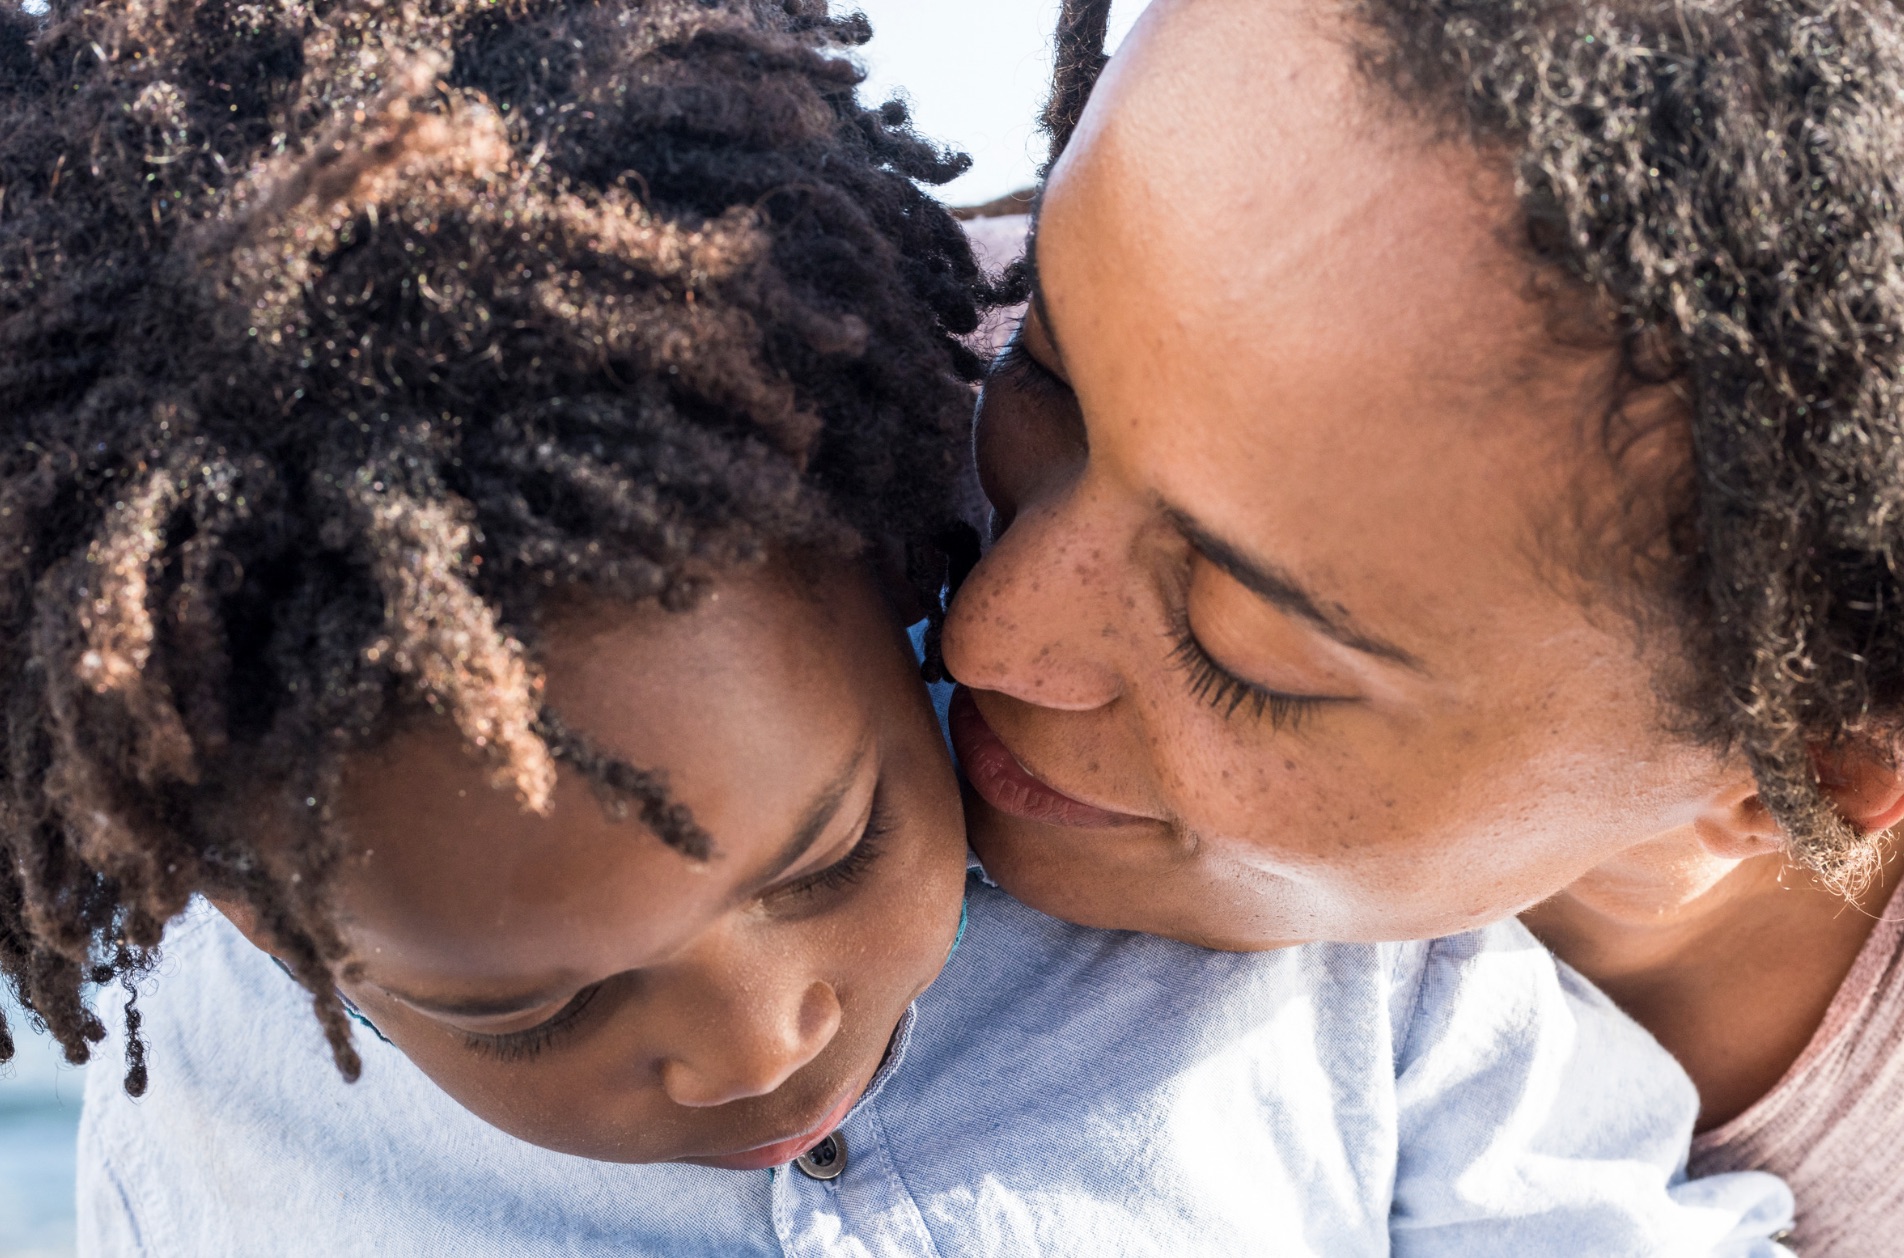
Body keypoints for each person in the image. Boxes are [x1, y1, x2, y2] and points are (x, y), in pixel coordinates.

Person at [0, 0, 1793, 1253]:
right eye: (531, 1004)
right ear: (258, 905)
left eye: (833, 847)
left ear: (900, 547)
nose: (759, 1033)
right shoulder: (230, 1128)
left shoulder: (1293, 940)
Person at [941, 0, 1904, 1249]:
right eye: (1047, 371)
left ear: (1804, 777)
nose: (982, 633)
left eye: (1243, 645)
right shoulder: (784, 433)